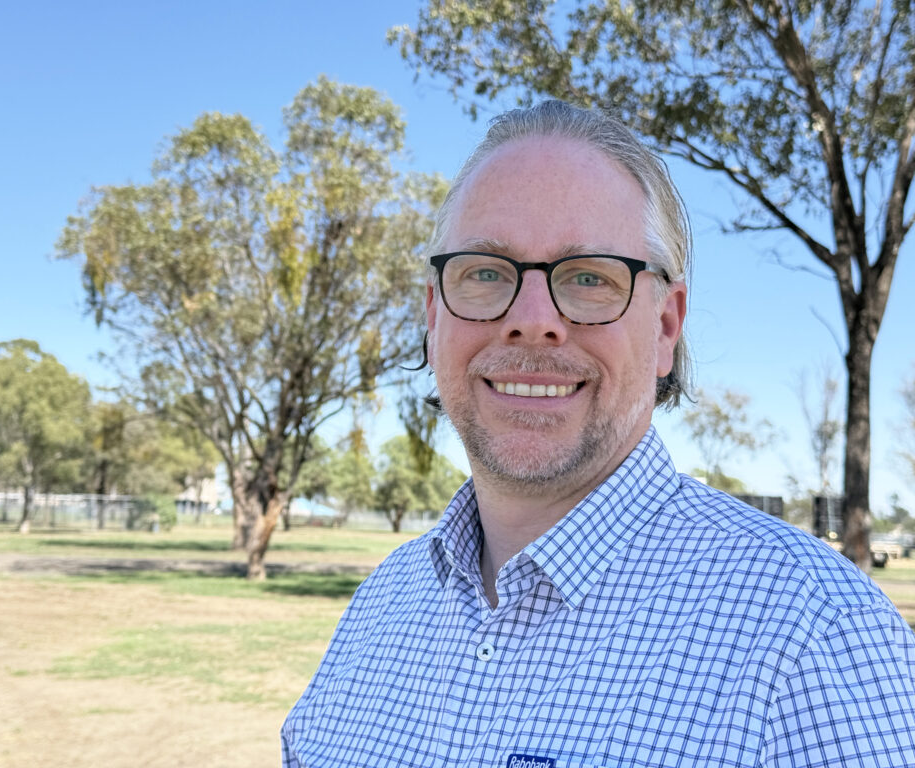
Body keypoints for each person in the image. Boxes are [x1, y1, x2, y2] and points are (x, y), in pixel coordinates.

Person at [281, 102, 915, 767]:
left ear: (666, 327)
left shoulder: (816, 637)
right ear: (434, 316)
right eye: (485, 272)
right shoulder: (381, 605)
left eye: (589, 278)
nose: (532, 319)